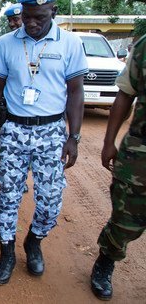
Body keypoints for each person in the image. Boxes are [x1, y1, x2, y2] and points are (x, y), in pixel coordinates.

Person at [0, 0, 88, 285]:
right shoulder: (5, 43)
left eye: (39, 17)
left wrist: (74, 137)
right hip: (14, 129)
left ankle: (34, 241)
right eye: (27, 17)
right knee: (8, 197)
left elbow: (76, 92)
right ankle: (6, 252)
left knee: (51, 200)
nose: (31, 23)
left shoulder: (69, 43)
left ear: (54, 11)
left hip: (52, 131)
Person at [90, 35, 146, 301]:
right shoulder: (145, 47)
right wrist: (109, 141)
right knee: (126, 220)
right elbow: (125, 95)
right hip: (140, 156)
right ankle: (106, 260)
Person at [0, 3, 26, 210]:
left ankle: (19, 181)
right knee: (4, 151)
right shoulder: (3, 45)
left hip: (33, 115)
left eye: (16, 19)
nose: (13, 24)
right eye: (10, 20)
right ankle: (4, 189)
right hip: (7, 111)